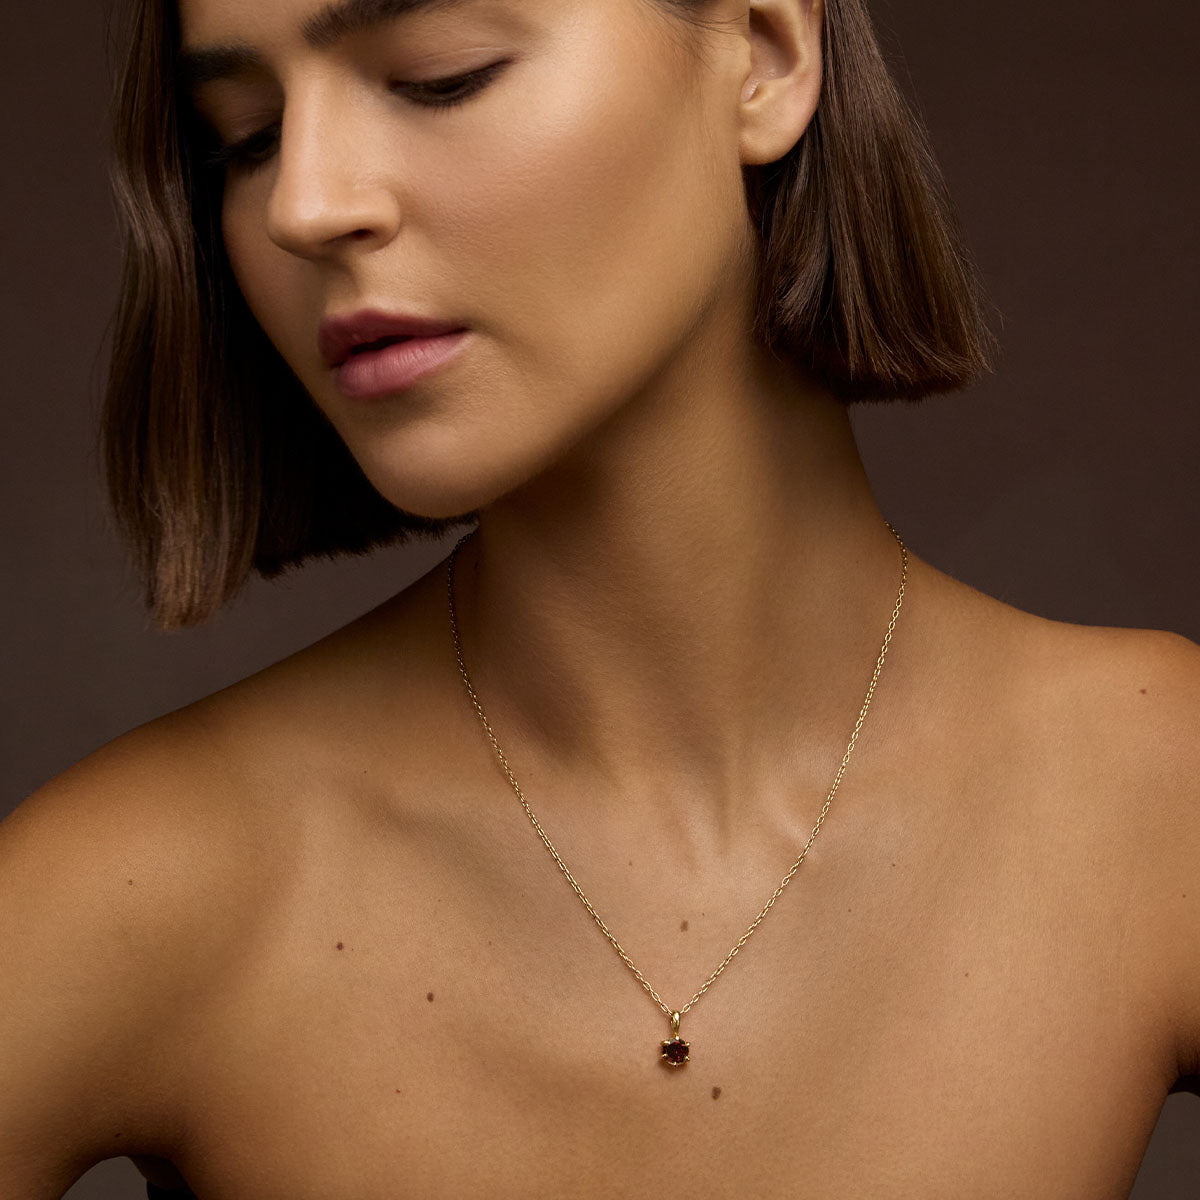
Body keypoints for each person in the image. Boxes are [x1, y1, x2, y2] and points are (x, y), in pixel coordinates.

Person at [3, 0, 1198, 1196]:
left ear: (765, 54)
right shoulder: (146, 886)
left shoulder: (1153, 794)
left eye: (440, 78)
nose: (304, 206)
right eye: (248, 138)